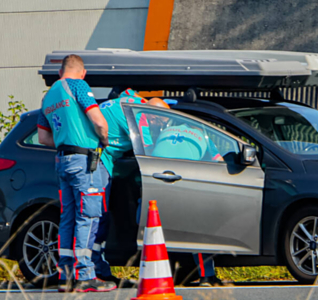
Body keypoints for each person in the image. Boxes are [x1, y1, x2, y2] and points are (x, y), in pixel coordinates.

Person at [36, 54, 114, 293]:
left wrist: (65, 141)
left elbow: (43, 138)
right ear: (83, 73)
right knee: (88, 215)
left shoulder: (48, 97)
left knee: (68, 216)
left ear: (60, 72)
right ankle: (85, 275)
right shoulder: (79, 86)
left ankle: (66, 275)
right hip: (84, 160)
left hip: (62, 160)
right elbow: (99, 121)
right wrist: (104, 140)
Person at [140, 98, 229, 287]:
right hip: (185, 182)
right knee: (198, 229)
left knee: (156, 231)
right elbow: (219, 161)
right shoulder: (201, 133)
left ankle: (159, 276)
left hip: (155, 183)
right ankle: (207, 276)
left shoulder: (158, 134)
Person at [91, 87, 147, 288]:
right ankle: (95, 269)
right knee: (97, 216)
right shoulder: (137, 111)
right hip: (97, 162)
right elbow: (148, 147)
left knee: (90, 217)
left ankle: (95, 268)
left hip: (95, 160)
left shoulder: (116, 104)